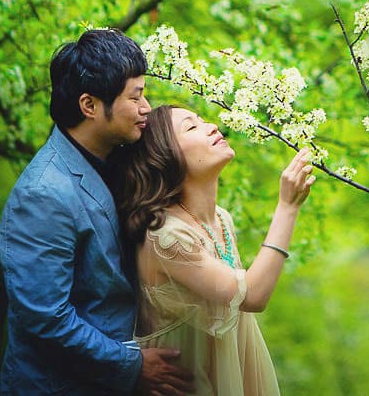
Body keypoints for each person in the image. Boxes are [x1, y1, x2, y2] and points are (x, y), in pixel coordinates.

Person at [0, 27, 193, 395]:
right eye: (135, 97)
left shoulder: (119, 159)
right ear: (89, 106)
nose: (146, 107)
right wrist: (132, 366)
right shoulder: (43, 194)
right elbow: (44, 318)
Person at [112, 105, 315, 396]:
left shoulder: (220, 218)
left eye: (203, 119)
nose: (211, 126)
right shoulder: (167, 237)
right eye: (191, 127)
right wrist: (288, 207)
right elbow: (253, 296)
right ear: (166, 155)